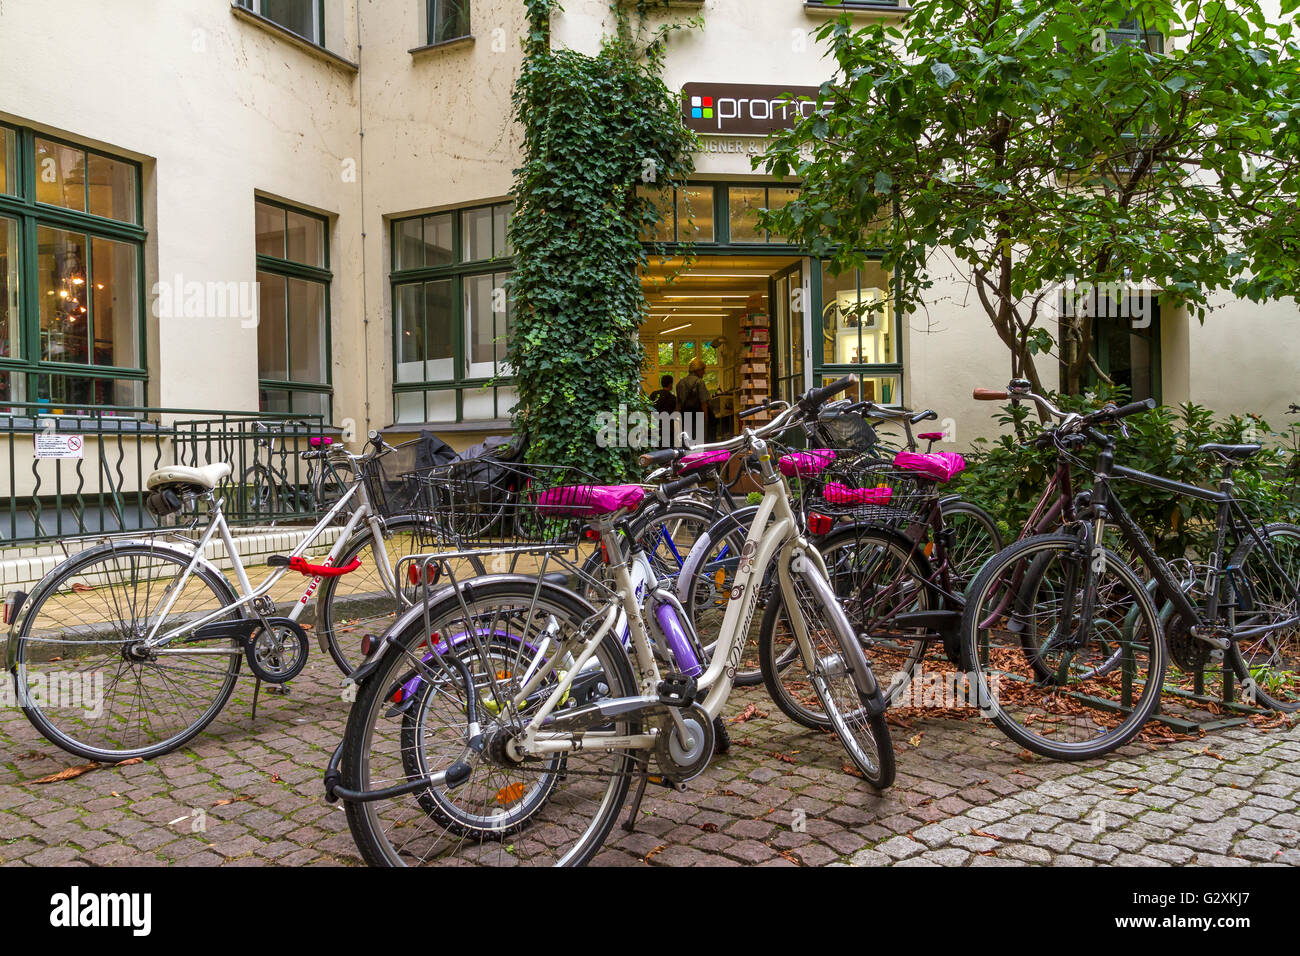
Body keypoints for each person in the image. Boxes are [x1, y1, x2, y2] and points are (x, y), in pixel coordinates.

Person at [676, 358, 709, 445]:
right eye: (703, 370)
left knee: (687, 442)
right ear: (697, 370)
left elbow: (678, 405)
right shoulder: (699, 382)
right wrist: (706, 418)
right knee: (699, 443)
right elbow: (704, 403)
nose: (704, 372)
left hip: (684, 416)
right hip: (697, 416)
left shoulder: (680, 383)